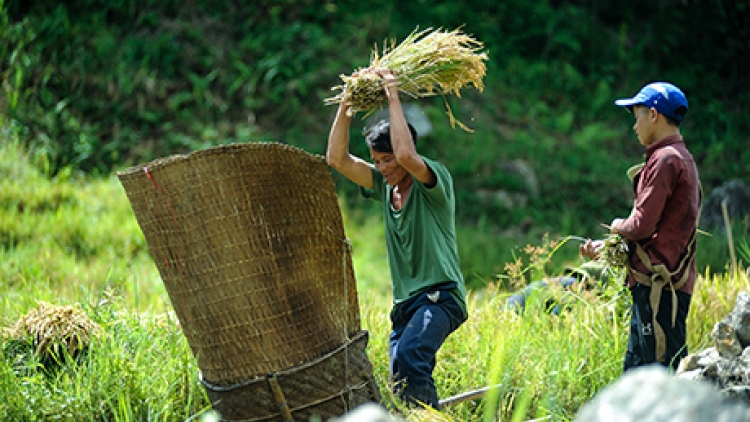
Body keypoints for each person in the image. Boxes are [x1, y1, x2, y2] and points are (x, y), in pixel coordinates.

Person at [326, 68, 468, 410]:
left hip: (440, 296)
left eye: (387, 160)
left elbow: (406, 156)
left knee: (411, 356)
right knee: (401, 379)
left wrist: (392, 95)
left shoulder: (433, 182)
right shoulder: (383, 186)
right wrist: (347, 103)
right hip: (405, 306)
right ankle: (425, 415)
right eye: (377, 161)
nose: (385, 168)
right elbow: (336, 159)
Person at [580, 82, 701, 372]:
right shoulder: (679, 157)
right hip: (661, 291)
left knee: (652, 380)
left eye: (637, 117)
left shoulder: (665, 159)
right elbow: (656, 230)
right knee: (643, 377)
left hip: (659, 293)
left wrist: (615, 227)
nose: (635, 126)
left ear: (655, 115)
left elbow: (641, 225)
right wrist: (607, 248)